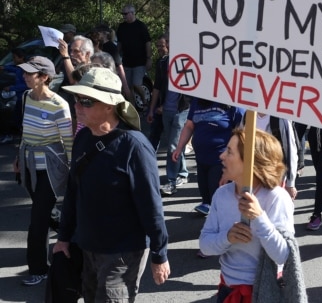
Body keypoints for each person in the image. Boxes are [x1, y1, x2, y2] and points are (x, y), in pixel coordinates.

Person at [55, 67, 170, 301]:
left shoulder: (134, 146)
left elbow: (151, 206)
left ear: (109, 105)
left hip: (122, 253)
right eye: (76, 99)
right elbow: (73, 191)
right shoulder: (83, 138)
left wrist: (160, 254)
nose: (77, 106)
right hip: (87, 246)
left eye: (86, 101)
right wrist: (64, 237)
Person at [199, 129, 307, 302]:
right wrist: (227, 237)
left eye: (229, 152)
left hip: (264, 292)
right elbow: (205, 245)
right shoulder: (221, 194)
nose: (221, 156)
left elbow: (283, 256)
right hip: (227, 290)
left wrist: (259, 217)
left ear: (251, 162)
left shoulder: (277, 198)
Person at [13, 56, 73, 286]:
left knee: (37, 221)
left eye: (30, 73)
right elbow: (25, 130)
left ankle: (39, 269)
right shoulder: (26, 96)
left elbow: (67, 142)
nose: (25, 76)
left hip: (50, 167)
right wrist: (18, 156)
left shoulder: (59, 105)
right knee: (45, 210)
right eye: (25, 72)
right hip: (28, 163)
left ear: (45, 77)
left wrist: (72, 171)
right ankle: (71, 233)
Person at [172, 99, 245, 215]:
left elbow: (242, 132)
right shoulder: (197, 102)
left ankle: (220, 222)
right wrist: (179, 148)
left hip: (221, 160)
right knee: (205, 193)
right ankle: (209, 211)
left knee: (217, 194)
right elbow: (189, 126)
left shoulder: (233, 104)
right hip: (201, 158)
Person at [146, 36, 190, 196]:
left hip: (182, 110)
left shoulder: (187, 62)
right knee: (177, 144)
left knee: (173, 146)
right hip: (166, 111)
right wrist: (152, 109)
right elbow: (157, 87)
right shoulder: (162, 63)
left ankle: (171, 181)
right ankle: (183, 173)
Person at [116, 3, 152, 105]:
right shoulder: (122, 27)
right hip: (126, 61)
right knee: (127, 87)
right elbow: (119, 43)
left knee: (136, 84)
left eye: (125, 13)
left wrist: (149, 58)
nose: (124, 16)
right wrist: (116, 56)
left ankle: (145, 100)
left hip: (140, 62)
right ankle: (132, 108)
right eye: (123, 14)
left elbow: (148, 42)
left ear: (132, 13)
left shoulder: (141, 26)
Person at [0, 47, 27, 144]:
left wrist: (11, 88)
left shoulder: (26, 69)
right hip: (19, 97)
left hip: (24, 97)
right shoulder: (19, 68)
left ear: (21, 58)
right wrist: (4, 67)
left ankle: (16, 136)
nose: (13, 60)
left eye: (15, 57)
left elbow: (26, 85)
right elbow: (14, 69)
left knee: (18, 117)